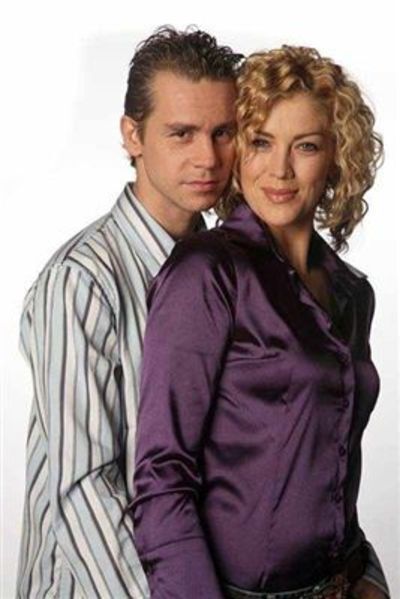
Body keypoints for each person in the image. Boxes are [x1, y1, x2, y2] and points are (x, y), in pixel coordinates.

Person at [132, 46, 390, 598]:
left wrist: (366, 572)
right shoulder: (207, 273)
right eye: (261, 142)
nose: (280, 170)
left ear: (336, 156)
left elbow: (330, 464)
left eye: (306, 146)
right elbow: (162, 476)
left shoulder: (352, 292)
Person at [16, 26, 242, 598]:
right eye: (181, 133)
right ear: (132, 135)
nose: (208, 158)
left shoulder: (228, 273)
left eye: (223, 132)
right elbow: (83, 489)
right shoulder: (82, 281)